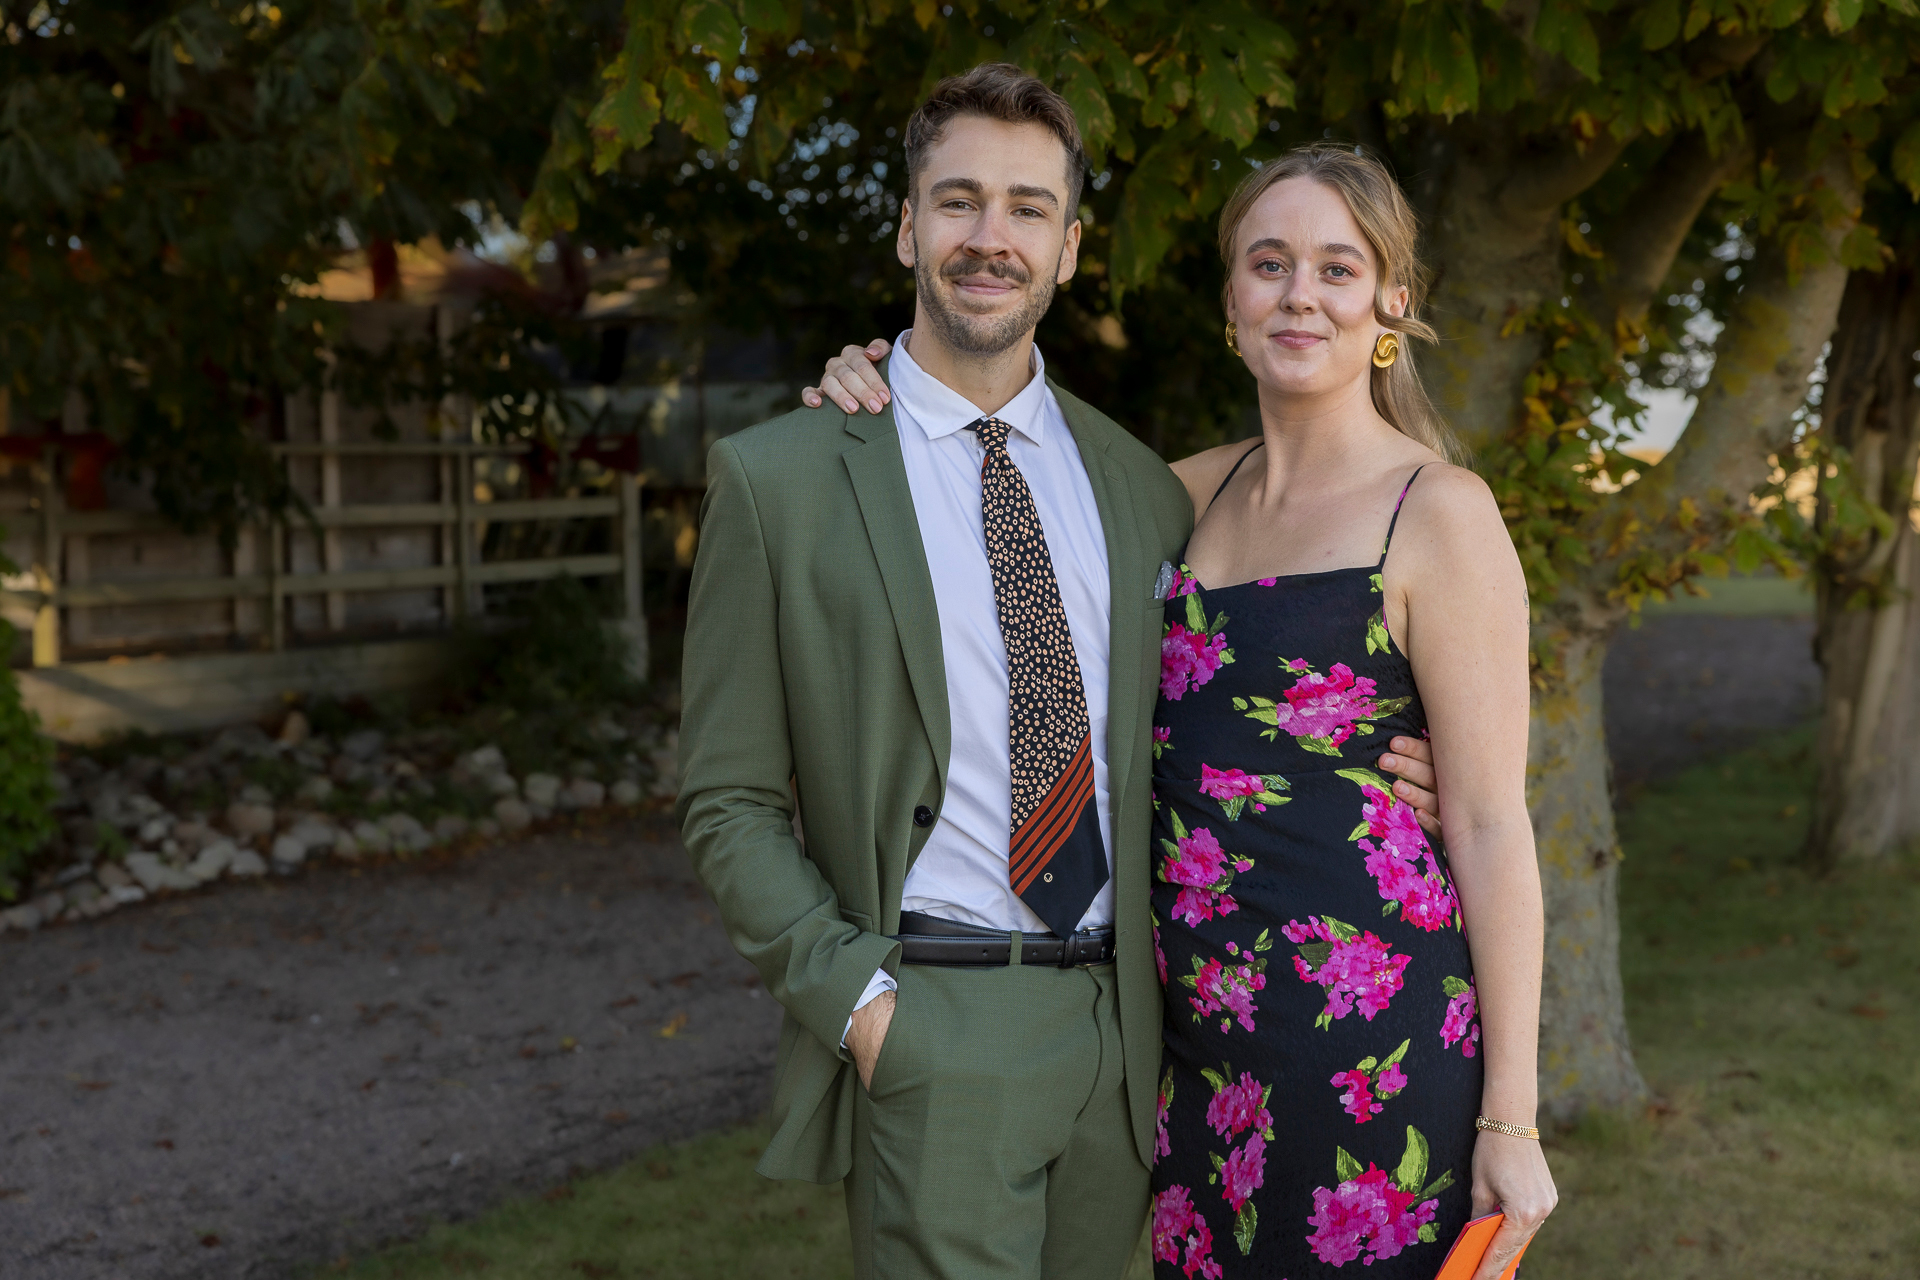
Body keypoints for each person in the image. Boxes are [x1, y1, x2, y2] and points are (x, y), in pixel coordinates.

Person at [681, 65, 1439, 1280]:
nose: (992, 237)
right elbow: (727, 797)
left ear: (1071, 247)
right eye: (959, 200)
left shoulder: (1144, 487)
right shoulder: (784, 480)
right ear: (908, 227)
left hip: (1131, 1033)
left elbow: (1234, 700)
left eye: (1028, 208)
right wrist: (861, 1005)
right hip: (934, 1018)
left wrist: (1396, 774)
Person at [803, 146, 1556, 1278]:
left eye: (1338, 268)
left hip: (1374, 1046)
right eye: (1270, 263)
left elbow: (1493, 824)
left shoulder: (1439, 511)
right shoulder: (1172, 495)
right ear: (1231, 299)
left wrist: (1513, 1118)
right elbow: (977, 504)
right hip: (1191, 1051)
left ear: (1391, 302)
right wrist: (874, 385)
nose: (1300, 295)